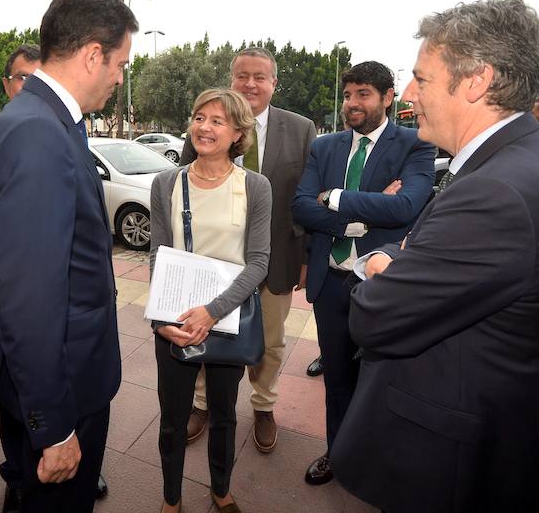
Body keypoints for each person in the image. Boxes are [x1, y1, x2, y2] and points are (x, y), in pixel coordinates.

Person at [331, 0, 539, 512]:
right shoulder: (531, 158)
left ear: (476, 81)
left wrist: (386, 266)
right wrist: (408, 255)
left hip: (458, 464)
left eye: (422, 79)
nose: (408, 95)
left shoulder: (499, 191)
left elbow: (373, 317)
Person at [0, 0, 135, 513]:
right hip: (63, 387)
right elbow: (28, 297)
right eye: (120, 64)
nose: (119, 77)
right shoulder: (39, 133)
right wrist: (55, 426)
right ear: (93, 54)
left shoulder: (39, 119)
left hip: (61, 373)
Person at [291, 60, 435, 486]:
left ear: (388, 97)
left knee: (382, 383)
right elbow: (300, 206)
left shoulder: (415, 144)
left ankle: (379, 462)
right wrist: (360, 215)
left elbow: (407, 206)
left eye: (363, 95)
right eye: (348, 94)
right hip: (331, 284)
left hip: (384, 290)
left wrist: (333, 197)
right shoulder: (325, 145)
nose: (351, 104)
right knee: (337, 380)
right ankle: (339, 454)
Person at [180, 47, 316, 453]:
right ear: (231, 79)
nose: (251, 84)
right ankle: (202, 403)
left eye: (260, 77)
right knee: (209, 332)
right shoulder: (209, 125)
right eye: (242, 76)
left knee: (270, 344)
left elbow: (306, 199)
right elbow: (187, 186)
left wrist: (305, 257)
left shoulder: (301, 128)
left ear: (275, 83)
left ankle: (263, 405)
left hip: (276, 261)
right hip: (217, 260)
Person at [151, 88, 271, 513]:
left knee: (224, 414)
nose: (204, 127)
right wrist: (161, 319)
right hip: (175, 318)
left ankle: (220, 490)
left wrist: (213, 311)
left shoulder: (255, 186)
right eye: (199, 117)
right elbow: (158, 254)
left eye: (218, 121)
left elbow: (258, 263)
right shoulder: (167, 182)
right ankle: (171, 498)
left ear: (238, 132)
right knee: (172, 419)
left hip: (227, 318)